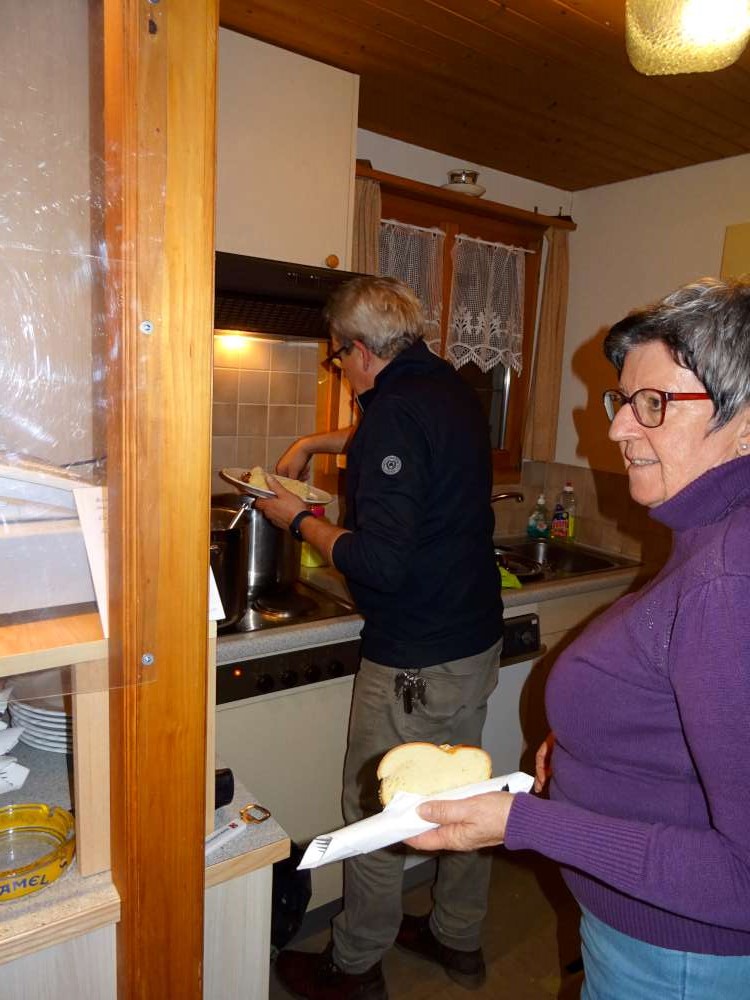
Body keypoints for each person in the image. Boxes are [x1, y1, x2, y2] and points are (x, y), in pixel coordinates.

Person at [405, 277, 750, 999]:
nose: (618, 428)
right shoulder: (710, 529)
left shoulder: (728, 577)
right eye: (623, 400)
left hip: (680, 961)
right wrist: (594, 738)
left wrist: (528, 823)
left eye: (654, 404)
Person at [253, 275, 504, 1000]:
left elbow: (380, 563)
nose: (340, 368)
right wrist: (313, 441)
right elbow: (395, 439)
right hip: (472, 640)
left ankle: (355, 964)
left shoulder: (394, 411)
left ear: (362, 351)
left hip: (415, 656)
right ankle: (457, 937)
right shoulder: (449, 386)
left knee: (375, 811)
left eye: (338, 356)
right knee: (466, 795)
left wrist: (297, 519)